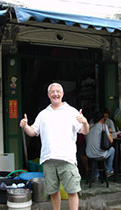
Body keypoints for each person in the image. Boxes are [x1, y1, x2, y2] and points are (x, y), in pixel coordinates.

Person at [20, 82, 89, 210]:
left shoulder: (71, 111)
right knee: (53, 192)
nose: (55, 94)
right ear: (48, 95)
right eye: (52, 92)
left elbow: (84, 131)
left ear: (62, 94)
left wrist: (84, 122)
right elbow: (33, 132)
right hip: (48, 159)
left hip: (67, 159)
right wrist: (25, 126)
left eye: (58, 91)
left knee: (72, 191)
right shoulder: (43, 114)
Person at [86, 111, 115, 180]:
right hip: (99, 154)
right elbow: (111, 141)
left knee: (95, 154)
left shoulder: (89, 126)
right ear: (102, 119)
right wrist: (110, 134)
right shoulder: (103, 126)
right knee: (112, 150)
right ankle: (109, 170)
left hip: (89, 153)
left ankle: (96, 175)